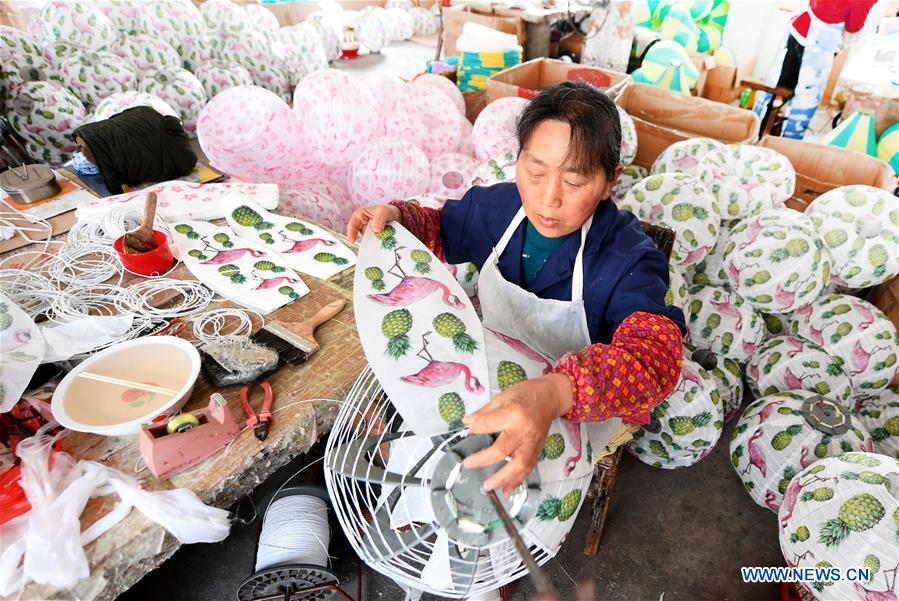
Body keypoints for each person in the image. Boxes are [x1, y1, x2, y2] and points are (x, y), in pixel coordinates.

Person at [348, 82, 686, 496]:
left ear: (608, 181)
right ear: (519, 159)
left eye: (575, 181)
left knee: (501, 490)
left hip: (575, 407)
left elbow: (655, 358)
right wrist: (398, 217)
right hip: (492, 366)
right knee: (433, 448)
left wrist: (554, 393)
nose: (548, 199)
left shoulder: (628, 258)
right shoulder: (497, 208)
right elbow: (440, 228)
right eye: (536, 172)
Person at [753, 0, 878, 140]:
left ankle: (756, 130)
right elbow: (854, 24)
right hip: (820, 40)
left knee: (778, 86)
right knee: (805, 98)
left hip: (801, 25)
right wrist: (849, 40)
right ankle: (786, 143)